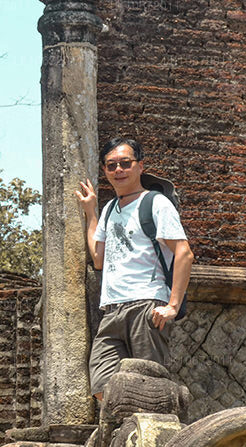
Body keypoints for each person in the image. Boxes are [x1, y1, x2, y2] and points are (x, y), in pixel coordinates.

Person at [75, 137, 194, 400]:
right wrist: (92, 213)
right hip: (112, 308)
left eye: (125, 163)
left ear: (140, 166)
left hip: (146, 306)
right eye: (111, 165)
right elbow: (98, 259)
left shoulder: (156, 203)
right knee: (102, 387)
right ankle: (123, 434)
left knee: (149, 388)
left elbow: (184, 253)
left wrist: (172, 306)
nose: (118, 170)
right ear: (105, 171)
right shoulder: (109, 209)